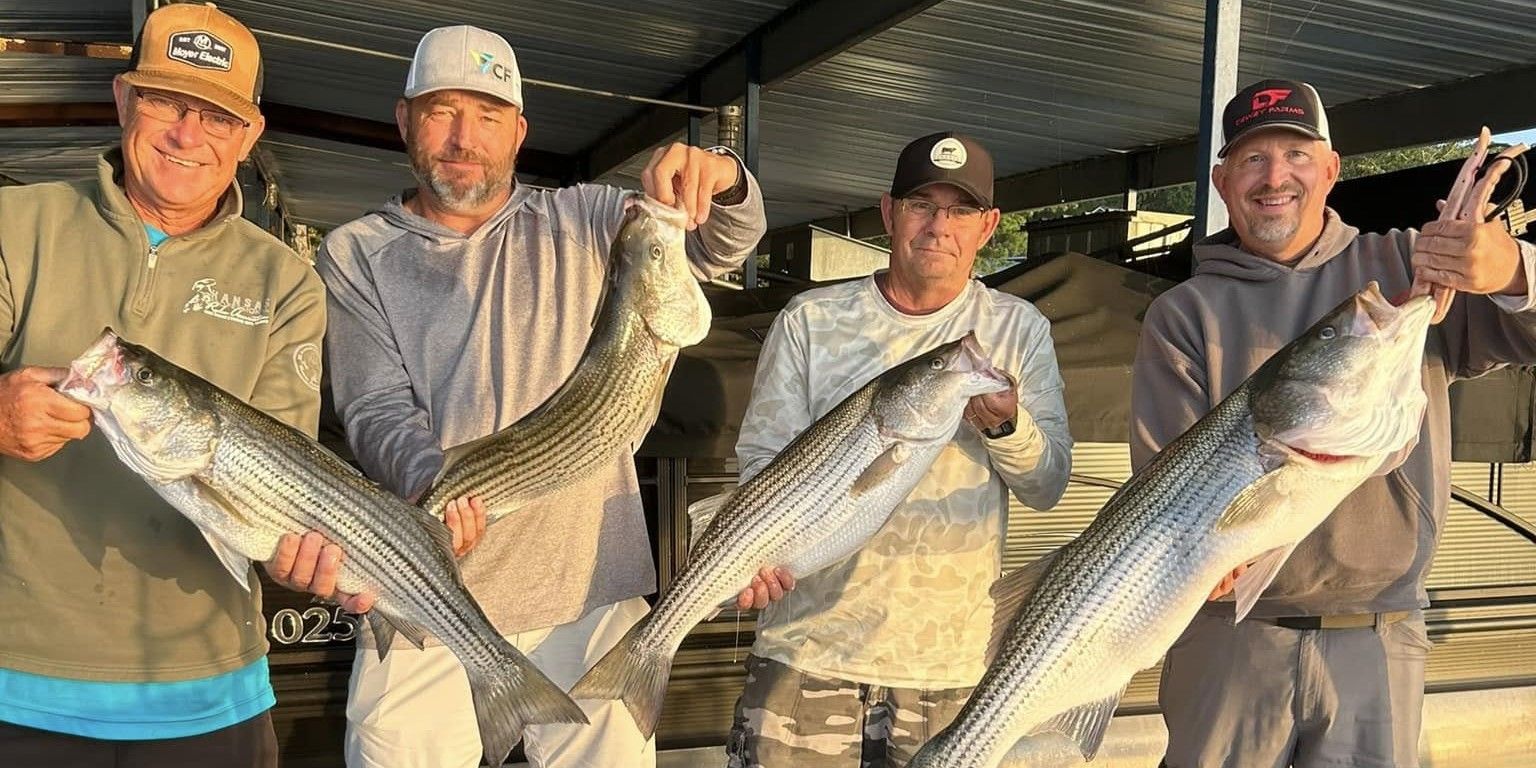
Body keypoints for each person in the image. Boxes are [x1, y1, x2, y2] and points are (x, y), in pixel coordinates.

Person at [316, 24, 768, 768]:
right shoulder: (356, 251)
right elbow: (372, 407)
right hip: (429, 588)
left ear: (520, 131)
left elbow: (722, 241)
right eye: (442, 112)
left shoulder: (588, 218)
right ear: (404, 120)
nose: (465, 137)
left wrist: (720, 173)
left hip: (590, 587)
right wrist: (436, 490)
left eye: (489, 116)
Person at [1133, 78, 1536, 768]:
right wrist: (1203, 564)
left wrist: (1508, 270)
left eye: (1295, 153)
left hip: (1379, 629)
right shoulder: (1182, 314)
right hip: (1230, 638)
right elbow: (1163, 494)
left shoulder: (1412, 267)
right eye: (1253, 160)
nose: (1275, 177)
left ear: (1330, 169)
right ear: (1223, 181)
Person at [0, 4, 340, 766]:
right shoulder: (15, 225)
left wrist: (303, 555)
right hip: (15, 691)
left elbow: (287, 484)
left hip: (212, 699)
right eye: (166, 103)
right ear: (124, 100)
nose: (189, 136)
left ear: (249, 137)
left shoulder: (287, 282)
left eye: (218, 117)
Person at [725, 131, 1073, 768]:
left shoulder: (1019, 330)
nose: (938, 225)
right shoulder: (809, 319)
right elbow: (761, 460)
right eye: (921, 204)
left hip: (949, 669)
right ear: (889, 213)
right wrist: (754, 553)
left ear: (989, 225)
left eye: (960, 209)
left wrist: (1005, 427)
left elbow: (1047, 485)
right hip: (806, 653)